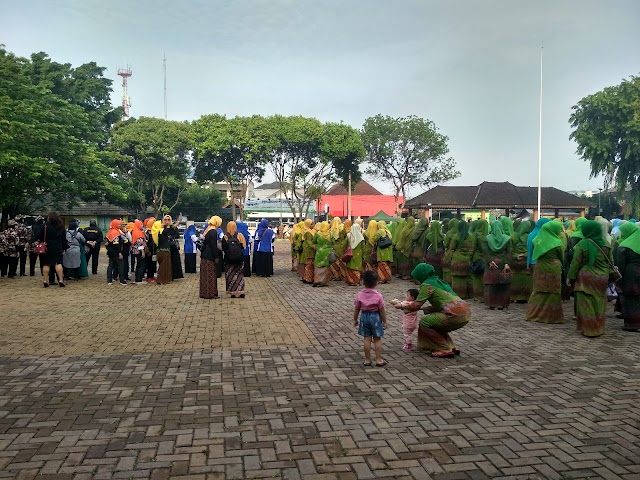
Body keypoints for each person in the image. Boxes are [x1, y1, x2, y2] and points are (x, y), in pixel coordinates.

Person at [405, 263, 471, 358]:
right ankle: (451, 346)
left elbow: (416, 305)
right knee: (436, 322)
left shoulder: (427, 285)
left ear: (421, 274)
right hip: (465, 313)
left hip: (455, 314)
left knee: (425, 322)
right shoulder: (440, 282)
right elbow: (444, 302)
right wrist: (426, 309)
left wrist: (402, 305)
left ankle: (444, 348)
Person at [568, 220, 611, 337]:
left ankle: (589, 328)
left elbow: (575, 263)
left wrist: (570, 277)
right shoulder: (606, 244)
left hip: (586, 278)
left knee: (586, 302)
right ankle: (599, 327)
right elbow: (611, 262)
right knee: (600, 302)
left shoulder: (582, 244)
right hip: (602, 277)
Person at [526, 221, 565, 323]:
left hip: (540, 268)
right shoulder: (557, 243)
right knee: (553, 292)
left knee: (538, 290)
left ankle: (533, 314)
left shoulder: (537, 240)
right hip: (554, 269)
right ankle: (552, 317)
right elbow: (561, 257)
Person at [353, 269, 388, 367]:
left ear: (363, 282)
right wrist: (385, 321)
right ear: (376, 282)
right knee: (377, 339)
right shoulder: (378, 296)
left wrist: (355, 319)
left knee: (367, 339)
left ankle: (367, 359)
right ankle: (378, 359)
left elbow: (357, 309)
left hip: (364, 316)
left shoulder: (359, 295)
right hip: (375, 317)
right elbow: (381, 310)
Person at [483, 221, 512, 309]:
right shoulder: (507, 239)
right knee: (503, 284)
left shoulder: (487, 238)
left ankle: (492, 304)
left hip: (492, 265)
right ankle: (502, 304)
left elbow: (485, 251)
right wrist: (507, 263)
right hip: (503, 263)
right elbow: (509, 252)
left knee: (491, 284)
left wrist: (490, 261)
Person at [616, 222, 640, 331]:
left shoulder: (625, 245)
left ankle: (632, 324)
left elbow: (620, 264)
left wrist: (618, 279)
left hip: (631, 273)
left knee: (631, 298)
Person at [34, 213, 67, 287]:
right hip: (58, 247)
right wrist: (65, 247)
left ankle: (45, 280)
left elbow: (38, 235)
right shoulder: (61, 226)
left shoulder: (45, 226)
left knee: (46, 264)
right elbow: (64, 238)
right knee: (58, 263)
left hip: (47, 247)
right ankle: (61, 280)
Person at [449, 221, 477, 299]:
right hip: (467, 260)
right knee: (467, 277)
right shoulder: (471, 237)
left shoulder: (456, 236)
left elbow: (452, 248)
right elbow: (473, 248)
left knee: (456, 278)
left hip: (456, 260)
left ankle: (458, 294)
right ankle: (469, 294)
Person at [510, 220, 533, 302]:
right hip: (526, 262)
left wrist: (516, 256)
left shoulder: (513, 236)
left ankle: (514, 296)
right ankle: (524, 298)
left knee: (515, 279)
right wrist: (525, 255)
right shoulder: (530, 237)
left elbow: (509, 249)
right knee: (526, 279)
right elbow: (532, 249)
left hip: (515, 262)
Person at [222, 221, 247, 298]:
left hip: (229, 260)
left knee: (230, 275)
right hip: (239, 259)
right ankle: (241, 291)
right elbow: (243, 246)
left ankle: (232, 292)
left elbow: (224, 249)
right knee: (240, 275)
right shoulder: (240, 235)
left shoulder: (225, 237)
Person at [200, 216, 222, 299]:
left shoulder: (208, 230)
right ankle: (210, 293)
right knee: (211, 275)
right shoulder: (213, 231)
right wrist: (216, 256)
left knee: (205, 275)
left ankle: (204, 292)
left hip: (205, 255)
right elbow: (213, 245)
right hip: (210, 256)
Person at [153, 216, 178, 285]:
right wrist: (177, 222)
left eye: (168, 219)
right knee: (163, 266)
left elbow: (172, 230)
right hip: (163, 251)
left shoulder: (160, 231)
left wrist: (177, 222)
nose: (167, 221)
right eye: (165, 220)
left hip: (163, 250)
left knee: (165, 266)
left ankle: (164, 280)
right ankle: (161, 280)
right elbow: (169, 229)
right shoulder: (161, 231)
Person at [105, 219, 127, 285]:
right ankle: (122, 280)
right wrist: (119, 252)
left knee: (110, 265)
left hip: (110, 251)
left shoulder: (111, 231)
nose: (120, 225)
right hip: (116, 252)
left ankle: (109, 280)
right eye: (119, 224)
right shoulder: (116, 233)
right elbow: (116, 244)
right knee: (120, 265)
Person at [472, 219, 489, 300]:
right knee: (484, 277)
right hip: (485, 259)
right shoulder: (488, 236)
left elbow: (473, 247)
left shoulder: (476, 235)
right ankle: (484, 295)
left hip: (477, 258)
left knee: (476, 277)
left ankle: (478, 296)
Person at [312, 221, 332, 287]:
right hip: (327, 252)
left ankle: (317, 280)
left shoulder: (318, 234)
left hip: (319, 252)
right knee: (325, 267)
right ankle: (323, 282)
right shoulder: (330, 234)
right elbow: (333, 242)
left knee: (318, 266)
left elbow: (313, 241)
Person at [345, 222, 365, 286]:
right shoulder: (361, 238)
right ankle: (356, 280)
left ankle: (350, 280)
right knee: (357, 267)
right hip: (358, 255)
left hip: (350, 254)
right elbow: (363, 247)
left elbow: (346, 244)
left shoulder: (348, 235)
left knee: (350, 266)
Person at [442, 219, 459, 285]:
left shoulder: (449, 233)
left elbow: (445, 245)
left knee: (447, 271)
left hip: (449, 254)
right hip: (457, 255)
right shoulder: (461, 233)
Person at [300, 220, 315, 284]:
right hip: (309, 250)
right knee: (309, 265)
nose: (313, 225)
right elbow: (309, 242)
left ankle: (307, 278)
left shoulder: (311, 231)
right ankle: (308, 279)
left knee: (309, 265)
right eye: (311, 224)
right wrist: (315, 247)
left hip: (309, 249)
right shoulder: (308, 232)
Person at [144, 217, 158, 283]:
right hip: (149, 251)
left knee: (153, 263)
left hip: (154, 250)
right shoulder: (147, 232)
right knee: (149, 264)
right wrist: (147, 251)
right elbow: (145, 242)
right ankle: (149, 277)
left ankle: (152, 275)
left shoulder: (155, 231)